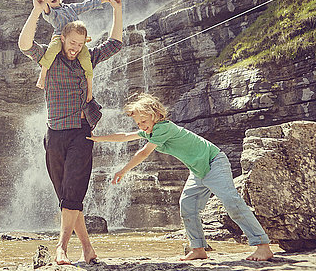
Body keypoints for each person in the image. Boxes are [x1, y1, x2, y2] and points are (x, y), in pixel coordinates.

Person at [88, 93, 274, 262]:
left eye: (143, 120)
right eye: (138, 123)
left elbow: (144, 153)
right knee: (187, 206)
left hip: (213, 162)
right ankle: (198, 249)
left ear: (155, 114)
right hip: (198, 169)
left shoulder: (163, 128)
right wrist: (98, 139)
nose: (141, 126)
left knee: (231, 202)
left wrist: (123, 170)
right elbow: (124, 136)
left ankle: (262, 246)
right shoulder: (150, 130)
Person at [18, 0, 123, 265]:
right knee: (66, 196)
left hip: (81, 132)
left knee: (74, 189)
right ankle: (87, 247)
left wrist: (116, 10)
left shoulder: (88, 57)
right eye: (72, 42)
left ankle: (61, 247)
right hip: (53, 134)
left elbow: (115, 43)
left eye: (80, 43)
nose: (75, 47)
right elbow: (24, 44)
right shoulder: (50, 58)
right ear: (62, 38)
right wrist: (36, 10)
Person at [33, 0, 116, 103]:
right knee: (51, 51)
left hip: (76, 40)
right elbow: (47, 10)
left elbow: (85, 5)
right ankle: (42, 76)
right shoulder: (51, 13)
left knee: (86, 60)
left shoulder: (70, 8)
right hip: (60, 37)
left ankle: (90, 89)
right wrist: (42, 3)